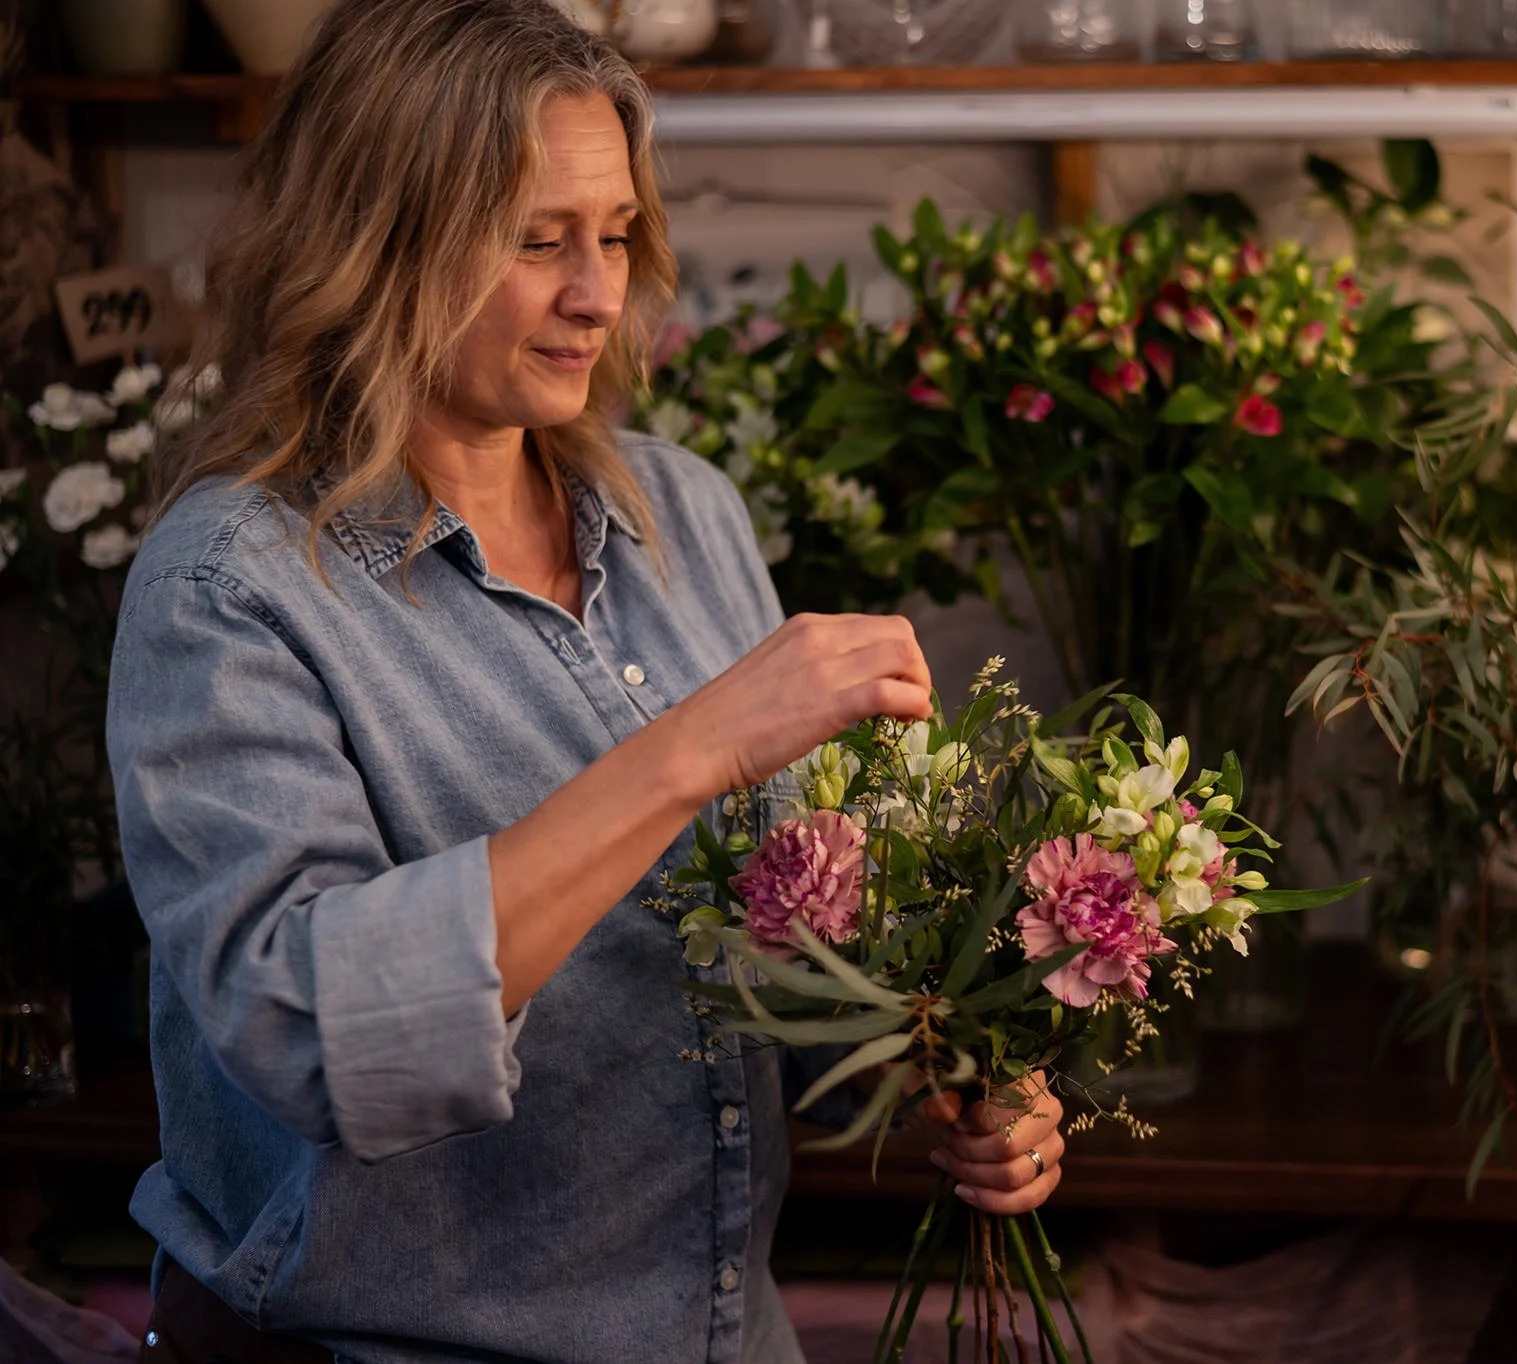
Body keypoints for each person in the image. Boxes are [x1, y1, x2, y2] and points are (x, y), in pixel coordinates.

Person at [105, 2, 1063, 1360]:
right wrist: (692, 749)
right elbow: (313, 1036)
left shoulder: (685, 514)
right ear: (380, 242)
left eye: (614, 236)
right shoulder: (229, 586)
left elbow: (788, 975)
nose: (597, 294)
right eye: (537, 239)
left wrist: (945, 1062)